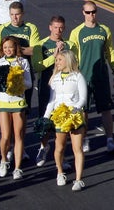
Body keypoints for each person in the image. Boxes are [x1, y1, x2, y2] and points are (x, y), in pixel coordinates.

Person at [68, 1, 114, 153]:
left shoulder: (104, 30)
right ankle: (84, 138)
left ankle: (110, 139)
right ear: (83, 13)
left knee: (106, 109)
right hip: (83, 77)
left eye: (94, 11)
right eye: (88, 12)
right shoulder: (77, 32)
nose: (92, 15)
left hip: (101, 76)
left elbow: (109, 52)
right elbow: (72, 56)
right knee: (83, 110)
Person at [43, 49, 87, 192]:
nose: (57, 62)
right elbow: (52, 100)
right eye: (56, 60)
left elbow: (83, 99)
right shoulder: (55, 78)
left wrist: (74, 111)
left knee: (77, 148)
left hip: (74, 117)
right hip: (59, 117)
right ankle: (60, 172)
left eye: (60, 60)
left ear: (68, 60)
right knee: (59, 147)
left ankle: (79, 179)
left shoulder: (78, 76)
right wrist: (45, 117)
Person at [33, 16, 72, 167]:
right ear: (50, 27)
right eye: (55, 27)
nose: (58, 30)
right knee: (45, 119)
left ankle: (62, 156)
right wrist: (54, 56)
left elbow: (74, 64)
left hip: (63, 89)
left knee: (62, 122)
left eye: (61, 27)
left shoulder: (69, 45)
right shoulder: (40, 45)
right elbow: (38, 67)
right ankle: (43, 147)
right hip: (46, 88)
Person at [0, 36, 32, 179]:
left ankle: (17, 168)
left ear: (15, 47)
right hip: (4, 102)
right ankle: (3, 160)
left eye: (10, 47)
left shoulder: (22, 62)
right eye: (5, 48)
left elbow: (29, 83)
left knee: (18, 135)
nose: (8, 50)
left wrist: (18, 82)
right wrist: (5, 85)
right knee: (5, 136)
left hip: (18, 102)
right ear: (2, 50)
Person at [0, 1, 40, 109]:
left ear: (22, 14)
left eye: (17, 14)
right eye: (12, 14)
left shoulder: (30, 28)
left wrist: (14, 49)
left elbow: (34, 50)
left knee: (25, 108)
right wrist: (12, 50)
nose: (15, 18)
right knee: (6, 107)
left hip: (24, 71)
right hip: (5, 74)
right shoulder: (1, 29)